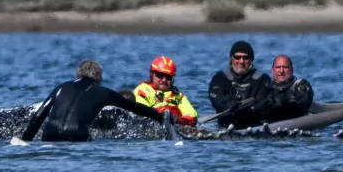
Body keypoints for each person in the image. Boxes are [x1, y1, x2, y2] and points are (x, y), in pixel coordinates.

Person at [16, 60, 173, 142]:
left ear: (78, 74)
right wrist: (158, 116)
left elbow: (38, 116)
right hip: (77, 136)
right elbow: (133, 107)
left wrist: (24, 141)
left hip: (49, 135)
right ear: (99, 78)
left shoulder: (61, 87)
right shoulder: (103, 92)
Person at [207, 41, 273, 129]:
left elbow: (265, 103)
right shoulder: (220, 77)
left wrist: (246, 109)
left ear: (252, 59)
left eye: (245, 58)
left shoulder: (262, 79)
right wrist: (227, 104)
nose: (241, 61)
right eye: (237, 57)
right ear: (231, 58)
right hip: (225, 124)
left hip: (253, 125)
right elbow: (215, 97)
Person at [134, 56, 199, 126]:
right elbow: (142, 111)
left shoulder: (178, 95)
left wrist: (180, 121)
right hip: (154, 124)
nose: (164, 80)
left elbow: (192, 114)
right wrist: (162, 118)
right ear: (151, 74)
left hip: (176, 125)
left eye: (168, 77)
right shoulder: (143, 90)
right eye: (160, 75)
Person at [262, 55, 315, 122]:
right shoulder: (265, 87)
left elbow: (303, 105)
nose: (281, 71)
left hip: (296, 121)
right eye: (278, 67)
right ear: (272, 70)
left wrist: (284, 104)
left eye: (285, 67)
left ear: (292, 70)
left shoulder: (300, 84)